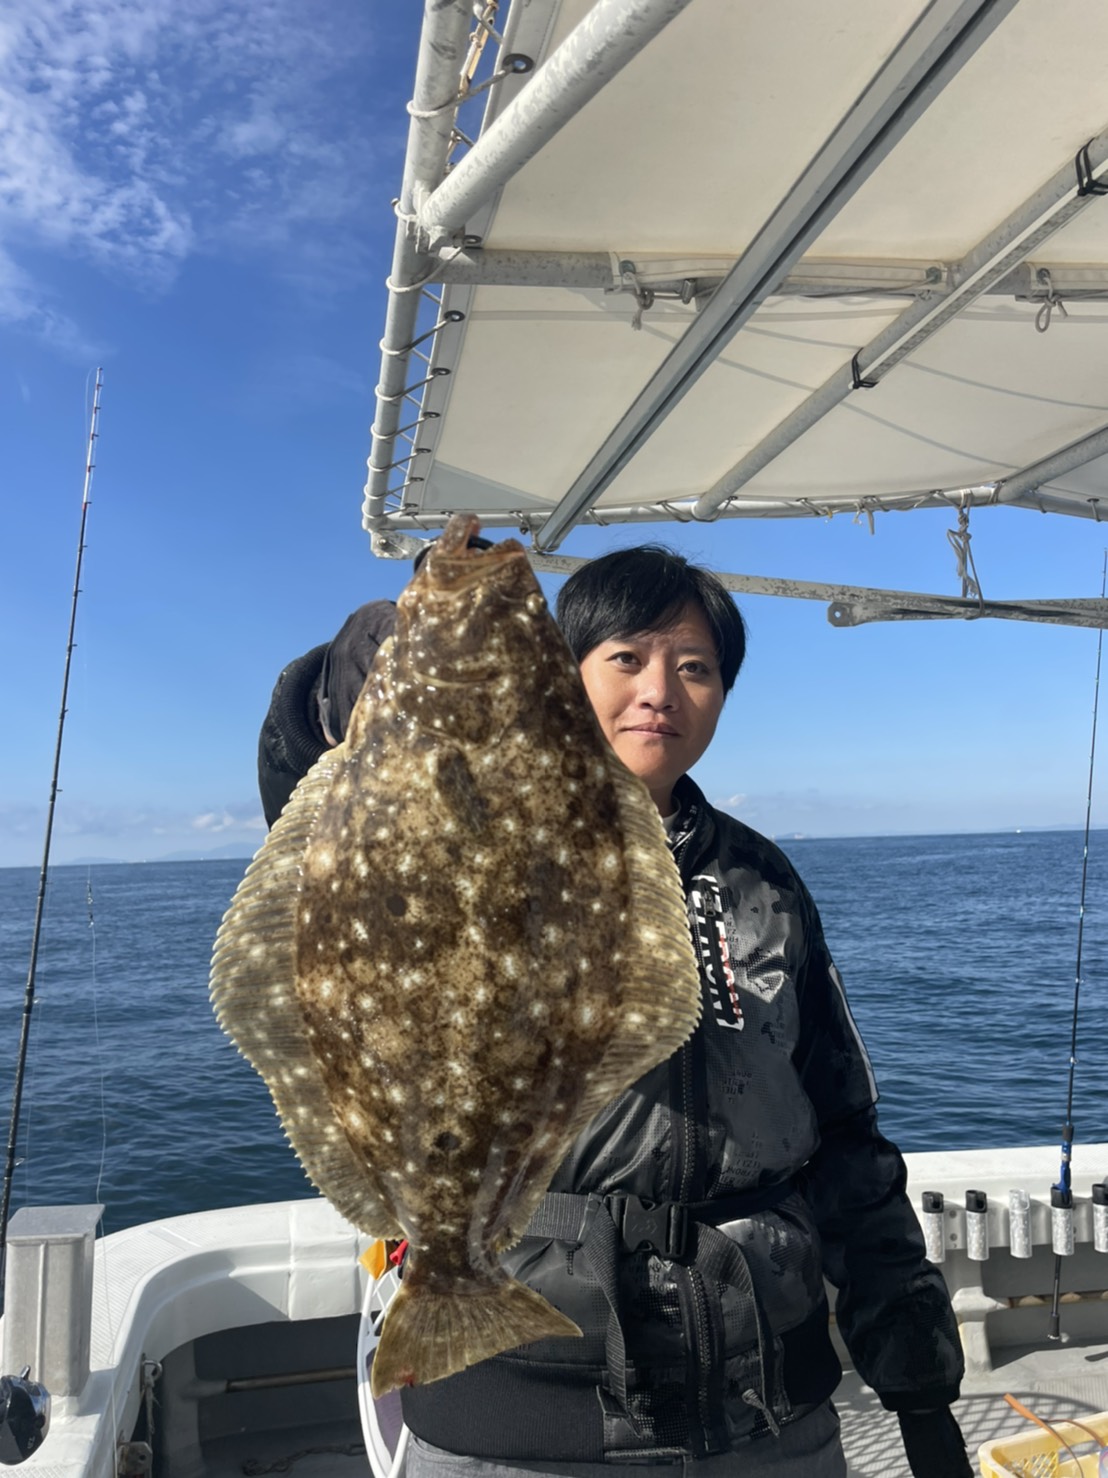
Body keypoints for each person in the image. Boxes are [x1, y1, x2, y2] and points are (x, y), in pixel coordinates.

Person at [258, 539, 973, 1478]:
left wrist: (919, 1391)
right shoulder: (471, 826)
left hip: (768, 1409)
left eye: (695, 668)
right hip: (519, 1411)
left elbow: (845, 1139)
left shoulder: (764, 880)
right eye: (626, 658)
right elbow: (317, 791)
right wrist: (365, 671)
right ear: (562, 675)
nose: (660, 692)